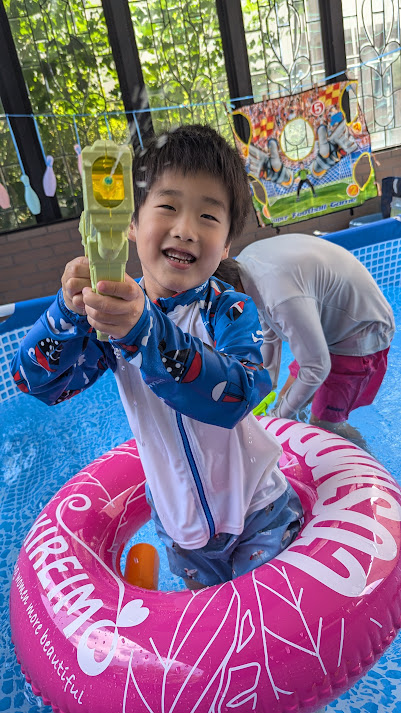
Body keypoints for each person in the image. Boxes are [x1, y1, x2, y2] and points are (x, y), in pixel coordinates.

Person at [11, 124, 302, 590]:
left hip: (258, 510)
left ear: (227, 243)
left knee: (267, 628)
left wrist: (145, 331)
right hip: (180, 527)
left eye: (208, 216)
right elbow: (36, 384)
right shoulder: (110, 322)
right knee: (208, 628)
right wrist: (66, 314)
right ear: (130, 222)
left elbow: (239, 394)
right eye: (167, 206)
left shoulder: (228, 310)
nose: (185, 230)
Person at [213, 233, 394, 448]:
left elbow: (316, 367)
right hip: (323, 325)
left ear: (230, 295)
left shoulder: (281, 297)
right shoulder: (244, 266)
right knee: (285, 397)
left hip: (361, 331)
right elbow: (268, 333)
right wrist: (262, 389)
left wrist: (277, 419)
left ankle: (365, 462)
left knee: (325, 424)